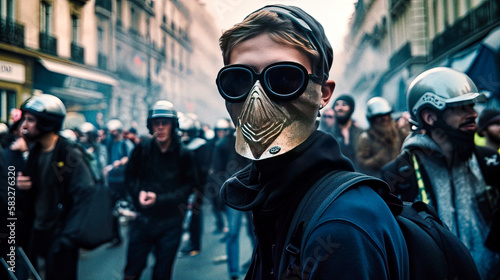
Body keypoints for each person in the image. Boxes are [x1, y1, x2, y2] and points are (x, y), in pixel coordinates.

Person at [216, 5, 409, 279]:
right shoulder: (272, 198)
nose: (257, 98)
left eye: (284, 78)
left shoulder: (344, 224)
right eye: (238, 80)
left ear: (323, 93)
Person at [381, 67, 500, 280]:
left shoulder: (489, 160)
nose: (473, 114)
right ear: (429, 116)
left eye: (471, 105)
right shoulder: (398, 176)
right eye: (461, 107)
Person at [16, 94, 95, 279]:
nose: (24, 125)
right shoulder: (35, 151)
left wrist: (67, 237)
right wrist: (20, 187)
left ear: (46, 122)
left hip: (60, 235)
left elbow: (86, 196)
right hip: (38, 231)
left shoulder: (69, 154)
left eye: (30, 120)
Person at [123, 100, 198, 280]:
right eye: (157, 123)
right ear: (151, 126)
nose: (161, 127)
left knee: (162, 273)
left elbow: (189, 187)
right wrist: (137, 193)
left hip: (170, 222)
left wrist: (160, 199)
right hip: (143, 220)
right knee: (132, 271)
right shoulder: (142, 149)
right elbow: (130, 176)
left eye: (165, 123)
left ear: (173, 125)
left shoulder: (184, 153)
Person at [210, 119, 255, 280]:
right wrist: (223, 198)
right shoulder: (223, 144)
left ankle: (255, 265)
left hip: (251, 194)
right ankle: (234, 271)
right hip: (235, 195)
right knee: (234, 232)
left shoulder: (254, 141)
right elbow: (217, 173)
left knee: (254, 232)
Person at [178, 112, 211, 256]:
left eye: (186, 132)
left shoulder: (201, 146)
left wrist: (198, 186)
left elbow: (203, 169)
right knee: (188, 216)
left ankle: (195, 244)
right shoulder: (183, 146)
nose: (184, 135)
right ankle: (192, 241)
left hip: (197, 187)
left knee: (195, 215)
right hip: (186, 186)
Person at [104, 118, 134, 247]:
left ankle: (132, 235)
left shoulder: (125, 143)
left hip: (123, 180)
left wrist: (120, 162)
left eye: (114, 131)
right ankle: (116, 236)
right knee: (112, 210)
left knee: (128, 208)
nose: (112, 133)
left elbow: (130, 157)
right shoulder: (110, 143)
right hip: (112, 181)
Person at [356, 97, 402, 177]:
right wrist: (378, 159)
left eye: (386, 115)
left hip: (401, 176)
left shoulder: (399, 132)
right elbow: (361, 165)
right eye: (380, 116)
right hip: (380, 179)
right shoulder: (366, 138)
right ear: (372, 119)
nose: (385, 118)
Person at [331, 94, 363, 167]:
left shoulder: (360, 132)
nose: (340, 108)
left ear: (351, 108)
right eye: (337, 105)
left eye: (344, 105)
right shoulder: (328, 132)